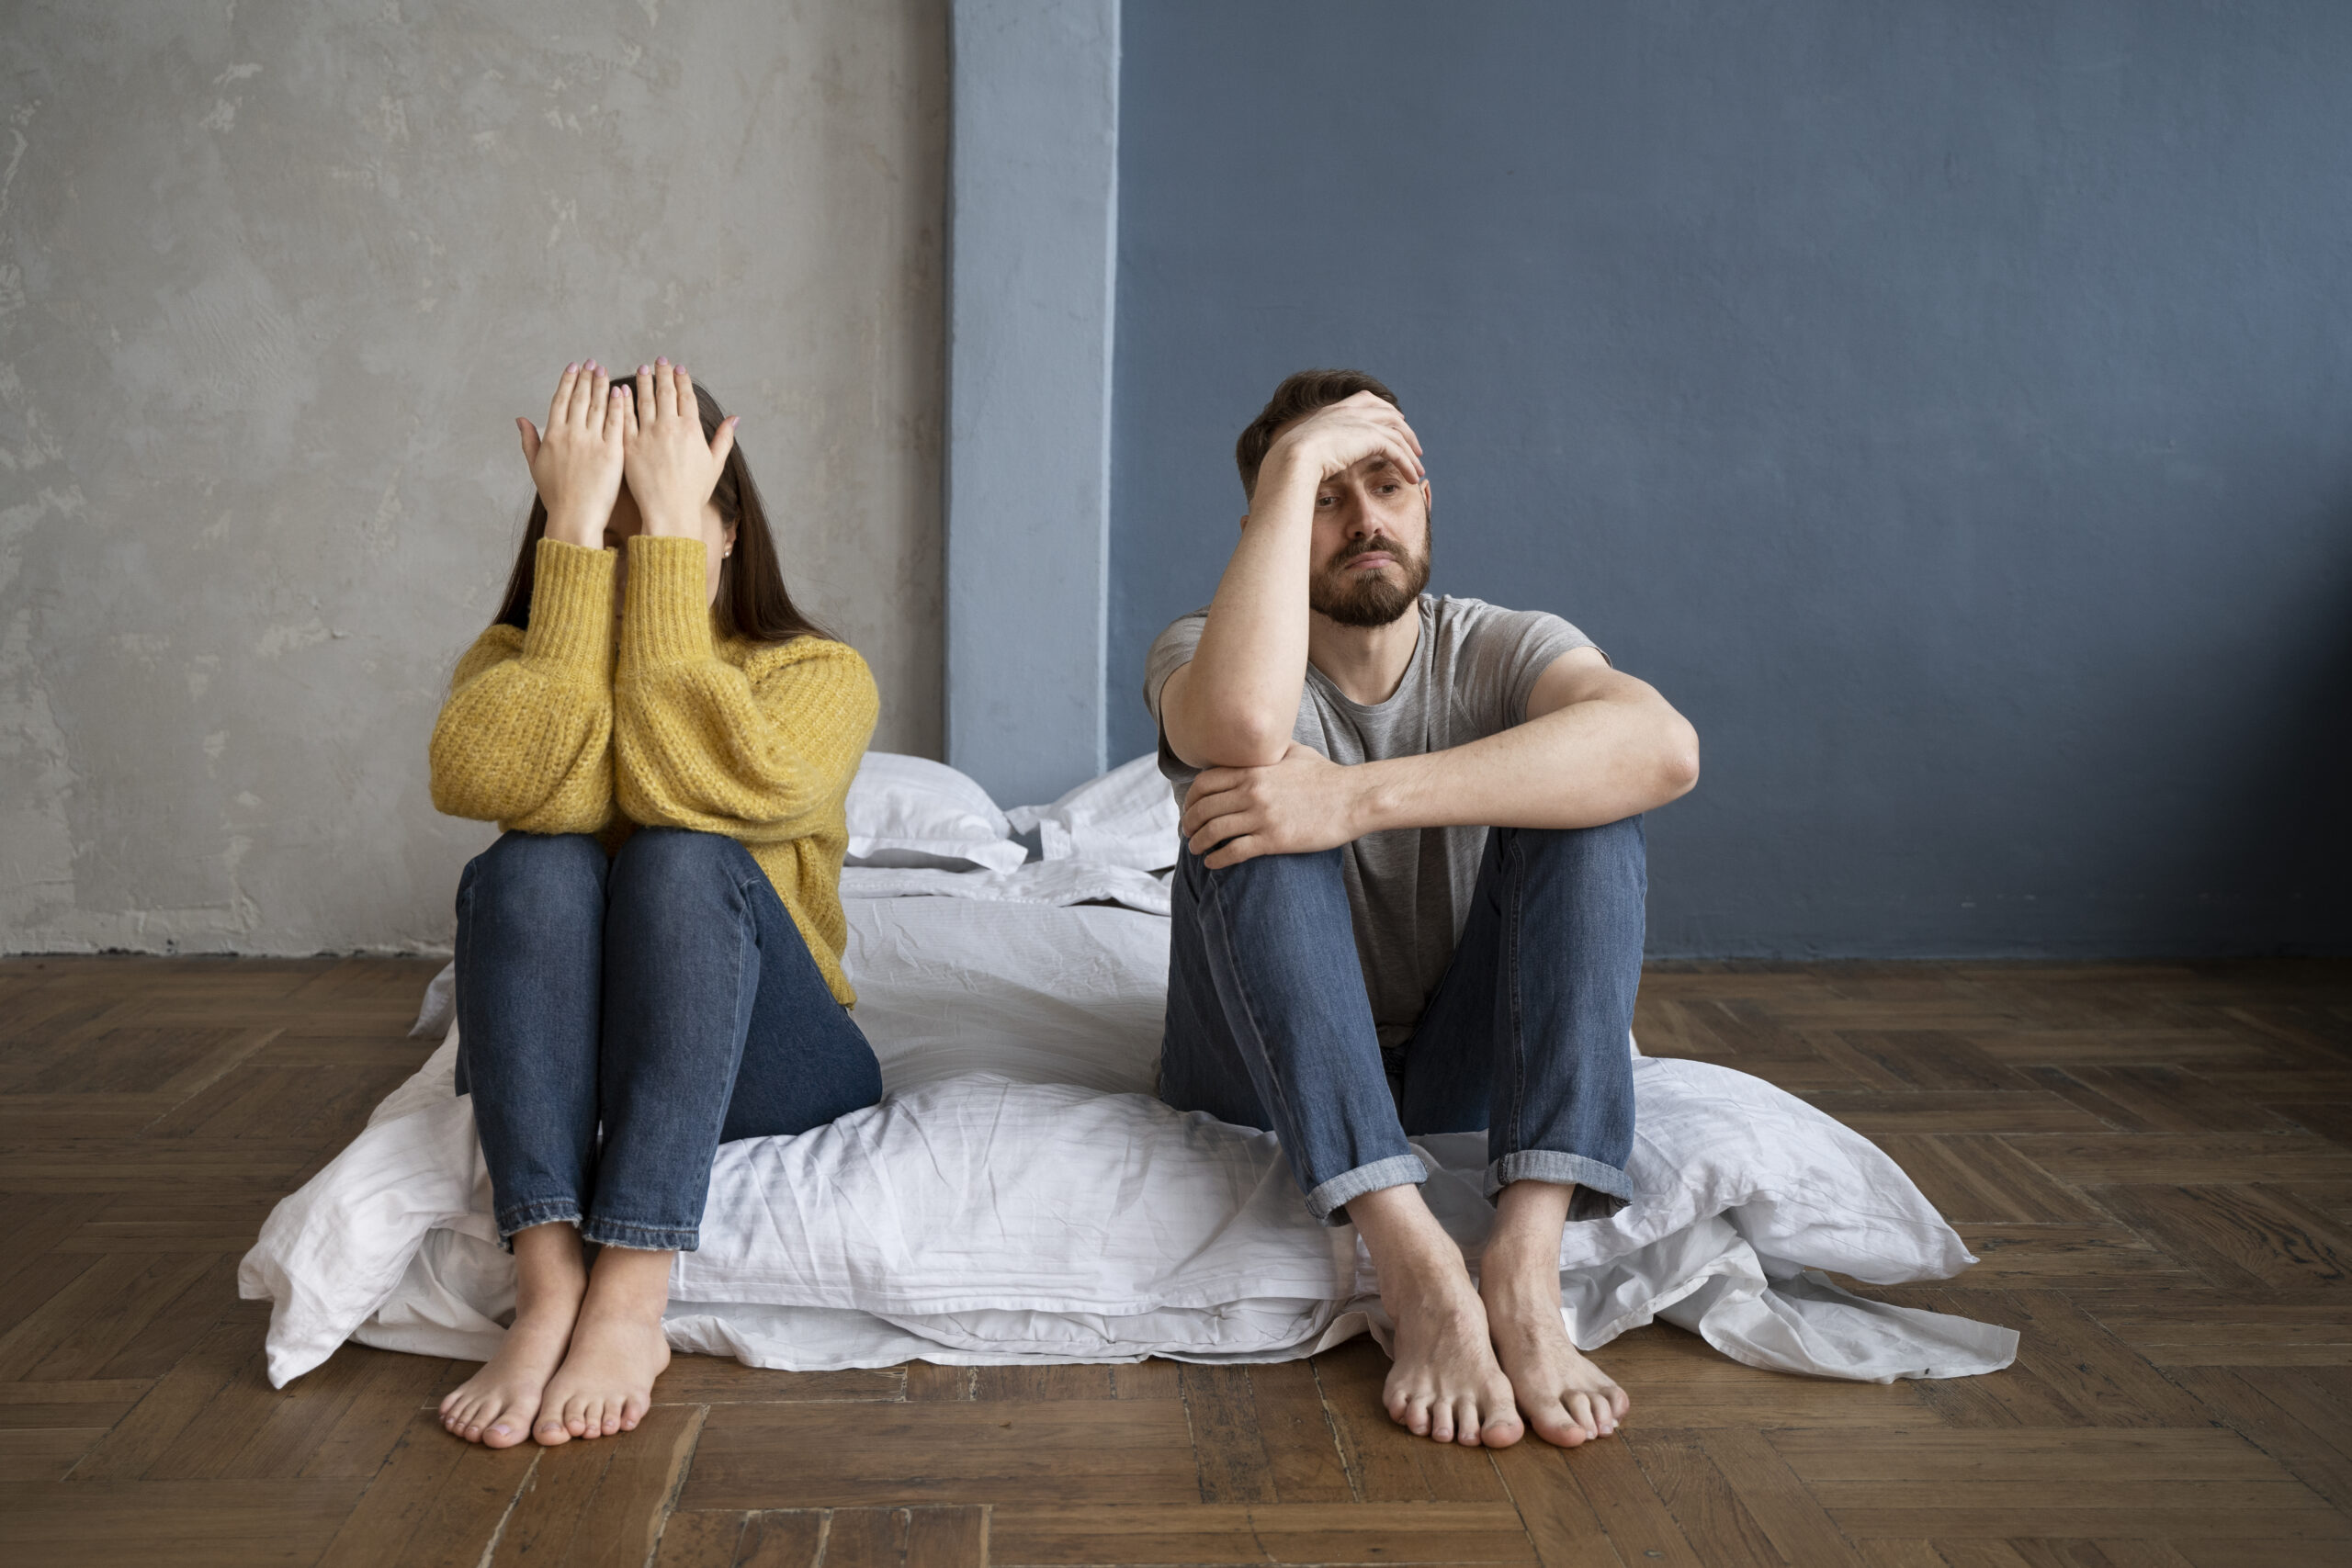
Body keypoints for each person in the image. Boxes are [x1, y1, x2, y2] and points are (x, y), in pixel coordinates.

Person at [1147, 369, 1700, 1450]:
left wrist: (1346, 803)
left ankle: (1523, 1266)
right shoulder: (1201, 649)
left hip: (1457, 1059)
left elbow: (1665, 748)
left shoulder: (1498, 645)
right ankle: (1416, 1266)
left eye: (1386, 484)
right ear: (1266, 527)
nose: (1363, 521)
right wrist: (1286, 465)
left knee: (1592, 799)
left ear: (1426, 500)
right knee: (1246, 795)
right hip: (1252, 1065)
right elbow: (1244, 727)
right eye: (1320, 496)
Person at [427, 359, 881, 1449]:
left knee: (681, 854)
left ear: (726, 533)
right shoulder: (513, 659)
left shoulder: (819, 673)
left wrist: (658, 547)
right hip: (574, 1052)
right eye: (607, 538)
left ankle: (630, 1294)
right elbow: (519, 790)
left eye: (669, 529)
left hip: (774, 1056)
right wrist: (570, 540)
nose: (641, 564)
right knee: (530, 862)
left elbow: (692, 788)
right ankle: (546, 1289)